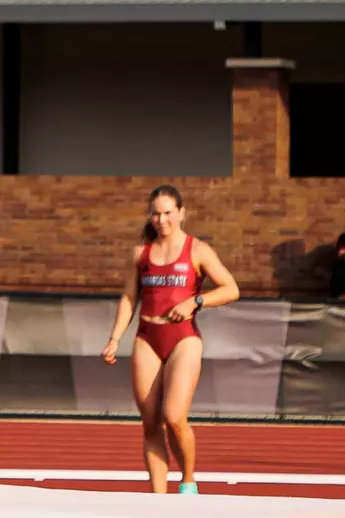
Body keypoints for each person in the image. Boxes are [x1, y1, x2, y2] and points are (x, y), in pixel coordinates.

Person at [101, 185, 239, 495]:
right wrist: (114, 338)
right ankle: (158, 499)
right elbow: (128, 297)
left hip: (183, 338)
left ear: (181, 213)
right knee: (150, 422)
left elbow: (231, 289)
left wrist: (196, 302)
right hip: (147, 336)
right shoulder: (141, 254)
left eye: (167, 213)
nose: (161, 220)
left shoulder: (197, 250)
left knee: (174, 416)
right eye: (155, 213)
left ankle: (188, 480)